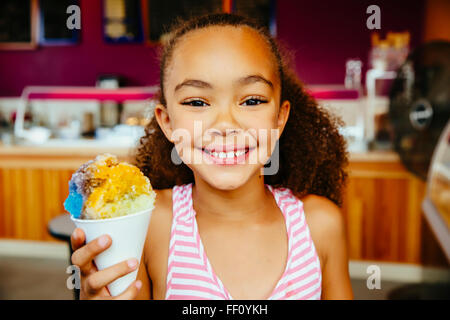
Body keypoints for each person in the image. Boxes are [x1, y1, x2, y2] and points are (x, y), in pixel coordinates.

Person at [70, 13, 353, 300]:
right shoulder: (150, 225)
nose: (225, 125)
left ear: (279, 118)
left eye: (252, 100)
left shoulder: (320, 224)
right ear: (167, 122)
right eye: (197, 102)